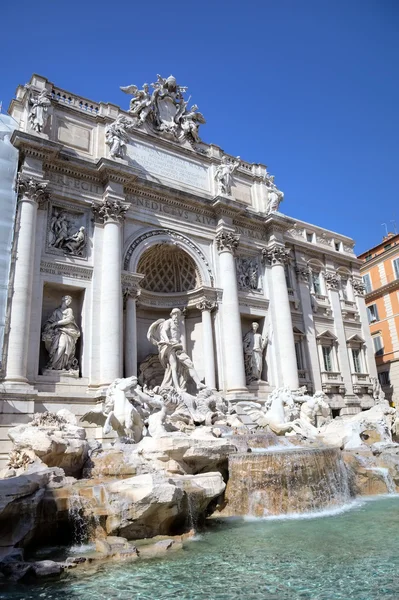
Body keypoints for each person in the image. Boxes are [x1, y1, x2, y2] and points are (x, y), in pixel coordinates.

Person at [148, 308, 206, 392]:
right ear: (172, 315)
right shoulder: (168, 322)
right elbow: (163, 331)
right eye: (175, 314)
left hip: (177, 346)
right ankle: (177, 388)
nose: (176, 316)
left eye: (178, 315)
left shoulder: (179, 325)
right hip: (169, 346)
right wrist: (167, 340)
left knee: (189, 363)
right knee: (173, 367)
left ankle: (198, 383)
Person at [42, 295, 80, 371]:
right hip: (57, 332)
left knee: (62, 346)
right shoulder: (56, 311)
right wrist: (49, 325)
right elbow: (50, 321)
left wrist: (56, 323)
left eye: (70, 301)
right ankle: (53, 365)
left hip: (67, 331)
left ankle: (54, 365)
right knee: (55, 347)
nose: (69, 302)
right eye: (68, 301)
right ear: (63, 300)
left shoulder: (69, 310)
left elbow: (69, 320)